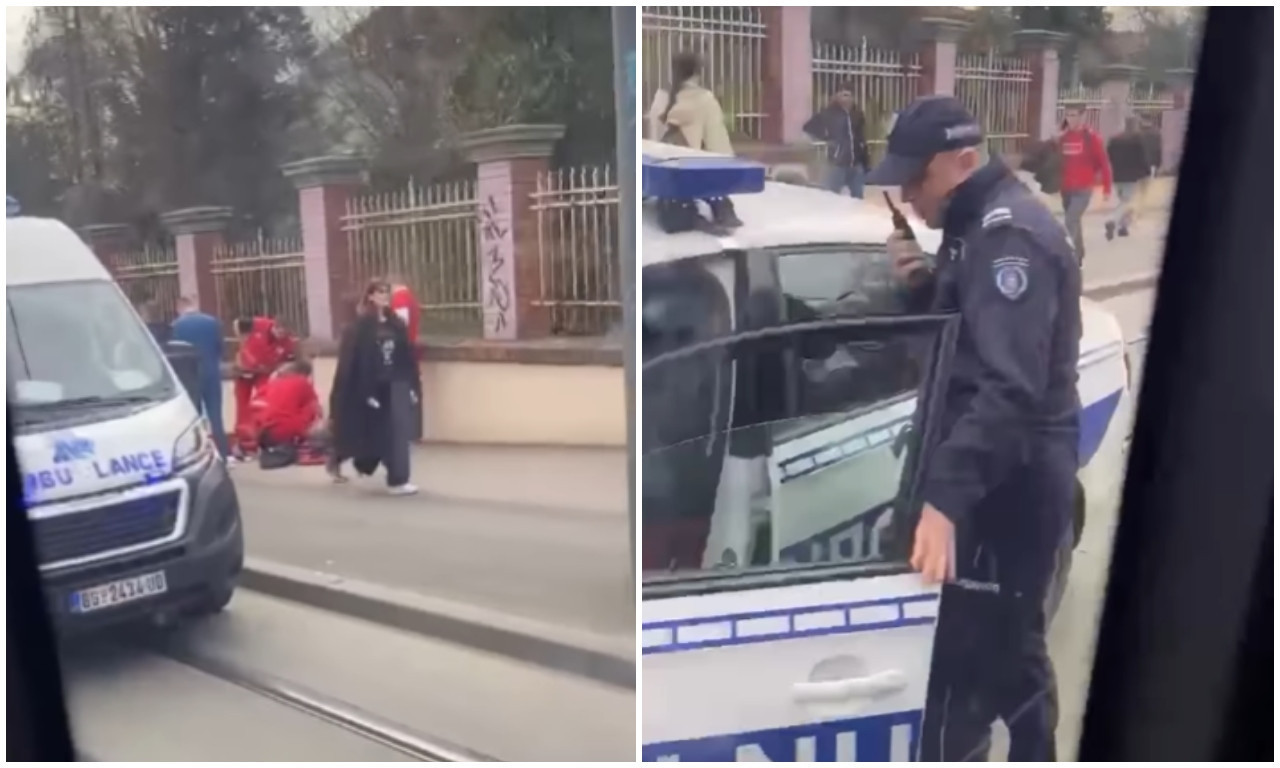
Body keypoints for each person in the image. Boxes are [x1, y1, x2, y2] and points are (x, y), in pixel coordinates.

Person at [866, 95, 1082, 762]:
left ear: (962, 161)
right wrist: (921, 289)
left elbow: (1008, 388)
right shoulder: (971, 230)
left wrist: (944, 500)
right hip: (996, 478)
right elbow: (967, 342)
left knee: (984, 665)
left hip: (1007, 486)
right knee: (998, 654)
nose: (908, 195)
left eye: (916, 178)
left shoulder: (1007, 238)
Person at [328, 279, 422, 495]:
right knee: (373, 433)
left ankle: (398, 479)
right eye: (380, 292)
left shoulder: (396, 324)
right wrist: (366, 391)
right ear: (370, 296)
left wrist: (412, 385)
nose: (384, 296)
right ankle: (352, 460)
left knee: (398, 434)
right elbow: (352, 361)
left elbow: (406, 355)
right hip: (373, 386)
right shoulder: (360, 327)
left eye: (386, 292)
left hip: (396, 383)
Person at [647, 51, 741, 230]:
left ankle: (691, 214)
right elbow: (718, 144)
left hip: (664, 173)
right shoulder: (704, 99)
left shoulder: (661, 98)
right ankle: (720, 209)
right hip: (692, 172)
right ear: (697, 73)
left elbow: (655, 137)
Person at [169, 296, 231, 460]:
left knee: (194, 418)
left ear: (180, 308)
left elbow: (175, 352)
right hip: (212, 372)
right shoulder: (212, 322)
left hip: (190, 376)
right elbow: (221, 348)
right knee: (216, 415)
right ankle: (224, 454)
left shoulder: (176, 326)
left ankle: (200, 455)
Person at [1057, 105, 1112, 263]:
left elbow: (1104, 163)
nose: (1070, 119)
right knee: (1074, 221)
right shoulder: (1063, 138)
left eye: (1074, 115)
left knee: (1070, 220)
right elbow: (1058, 162)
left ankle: (1067, 257)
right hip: (1066, 188)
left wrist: (1107, 189)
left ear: (1082, 117)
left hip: (1083, 189)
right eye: (1068, 115)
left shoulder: (1091, 137)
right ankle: (1079, 253)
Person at [231, 315, 292, 458]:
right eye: (279, 332)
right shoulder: (259, 324)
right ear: (274, 326)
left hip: (264, 372)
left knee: (264, 402)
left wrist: (279, 371)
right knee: (242, 404)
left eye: (284, 334)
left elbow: (288, 361)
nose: (281, 336)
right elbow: (237, 322)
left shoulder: (287, 343)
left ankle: (259, 434)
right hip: (245, 370)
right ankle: (242, 437)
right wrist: (242, 342)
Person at [803, 82, 872, 199]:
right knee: (831, 197)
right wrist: (827, 139)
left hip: (855, 164)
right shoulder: (829, 113)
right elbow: (809, 127)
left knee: (858, 198)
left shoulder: (857, 114)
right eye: (843, 95)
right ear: (837, 96)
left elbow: (861, 137)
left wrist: (865, 161)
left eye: (848, 95)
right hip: (837, 164)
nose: (846, 99)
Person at [252, 358, 327, 456]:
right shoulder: (303, 383)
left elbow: (255, 405)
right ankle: (307, 441)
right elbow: (316, 410)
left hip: (267, 434)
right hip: (290, 432)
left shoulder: (271, 384)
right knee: (311, 406)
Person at [387, 274, 424, 442]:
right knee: (412, 388)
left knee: (407, 389)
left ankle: (410, 430)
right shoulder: (409, 297)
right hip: (410, 348)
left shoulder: (400, 298)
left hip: (403, 350)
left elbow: (401, 324)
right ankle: (414, 430)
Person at [1105, 117, 1150, 240]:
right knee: (1126, 202)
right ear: (1134, 126)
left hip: (1116, 175)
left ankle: (1123, 227)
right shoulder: (1137, 140)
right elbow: (1142, 158)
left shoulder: (1114, 140)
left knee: (1123, 201)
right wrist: (1146, 172)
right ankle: (1112, 220)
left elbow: (1108, 156)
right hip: (1131, 176)